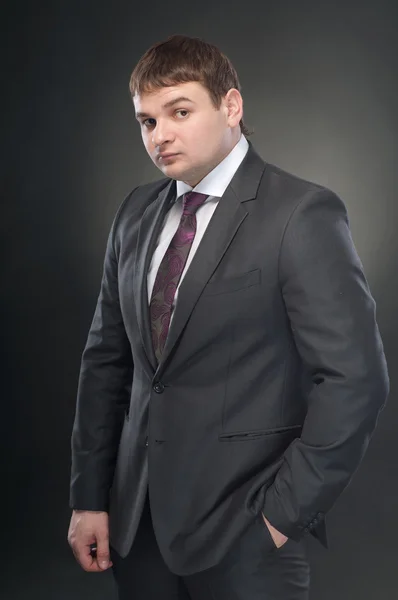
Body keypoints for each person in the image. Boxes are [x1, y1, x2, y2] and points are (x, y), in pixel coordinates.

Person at [67, 34, 389, 599]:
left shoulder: (301, 214)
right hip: (135, 529)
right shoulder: (135, 214)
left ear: (231, 107)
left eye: (180, 112)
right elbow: (106, 364)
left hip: (247, 536)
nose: (160, 135)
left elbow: (354, 380)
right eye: (146, 122)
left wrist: (282, 517)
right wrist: (90, 497)